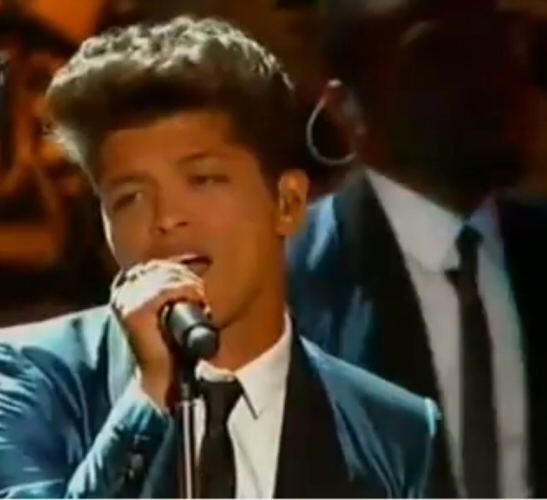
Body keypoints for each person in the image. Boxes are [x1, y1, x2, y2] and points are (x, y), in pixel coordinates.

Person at [0, 16, 438, 498]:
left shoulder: (398, 433)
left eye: (203, 179)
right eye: (130, 197)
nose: (167, 218)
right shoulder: (27, 376)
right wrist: (149, 397)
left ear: (288, 203)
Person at [288, 0, 547, 497]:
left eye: (504, 39)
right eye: (441, 53)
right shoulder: (287, 281)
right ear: (346, 108)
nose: (495, 73)